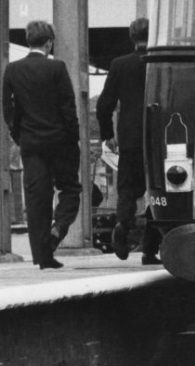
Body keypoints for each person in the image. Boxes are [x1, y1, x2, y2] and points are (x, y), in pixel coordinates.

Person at [1, 21, 81, 269]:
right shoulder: (57, 68)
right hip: (60, 142)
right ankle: (58, 229)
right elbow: (68, 107)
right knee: (70, 189)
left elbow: (8, 108)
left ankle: (42, 256)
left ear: (29, 40)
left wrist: (19, 135)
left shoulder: (13, 70)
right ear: (49, 42)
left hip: (31, 143)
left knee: (38, 198)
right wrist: (73, 138)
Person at [96, 17, 160, 264]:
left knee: (127, 189)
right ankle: (149, 250)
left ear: (132, 38)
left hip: (130, 136)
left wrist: (107, 134)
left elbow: (104, 105)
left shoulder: (119, 64)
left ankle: (123, 223)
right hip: (158, 136)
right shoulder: (159, 62)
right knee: (157, 191)